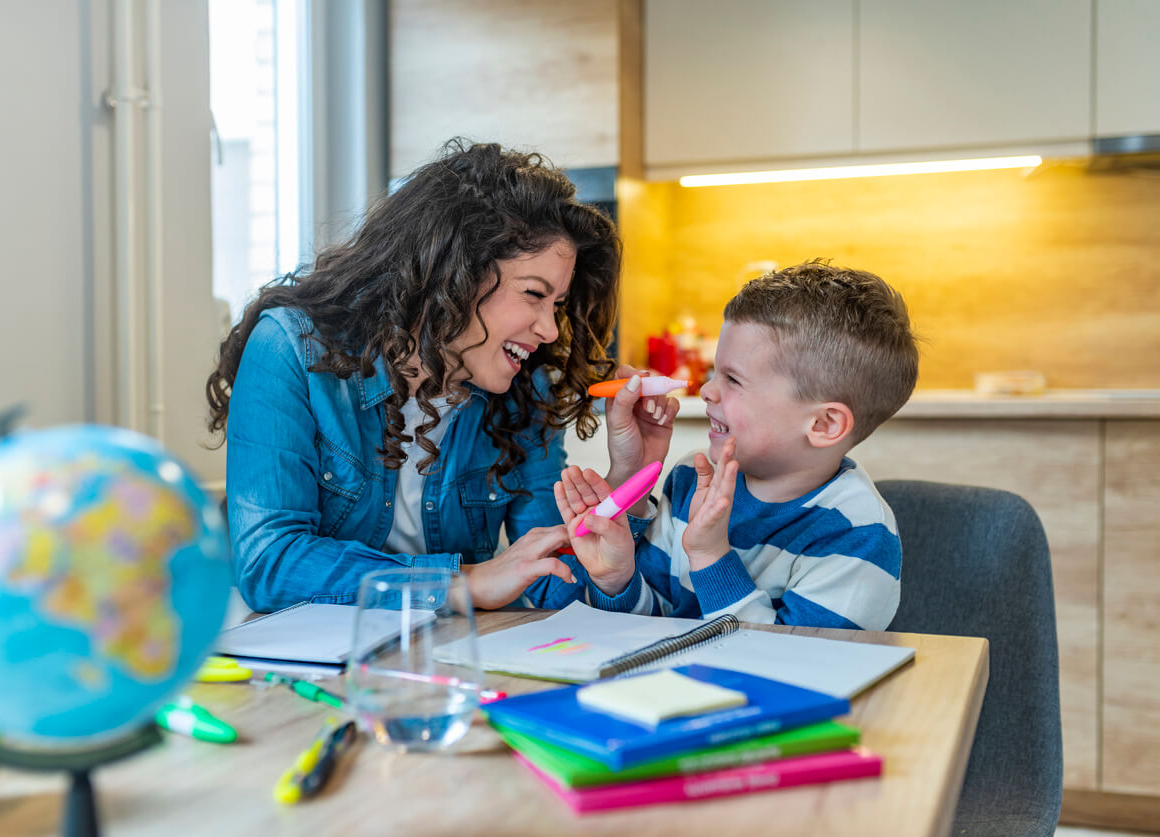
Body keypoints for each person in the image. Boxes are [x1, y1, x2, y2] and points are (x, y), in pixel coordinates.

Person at [206, 140, 679, 614]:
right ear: (453, 274)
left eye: (556, 305)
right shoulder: (289, 349)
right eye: (534, 294)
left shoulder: (524, 386)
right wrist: (462, 583)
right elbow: (269, 563)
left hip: (453, 661)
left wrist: (626, 481)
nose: (550, 329)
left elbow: (552, 580)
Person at [555, 260, 919, 630]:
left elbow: (796, 667)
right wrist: (615, 580)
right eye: (715, 373)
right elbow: (650, 627)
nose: (708, 390)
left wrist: (711, 555)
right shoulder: (689, 480)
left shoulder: (857, 534)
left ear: (824, 424)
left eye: (733, 380)